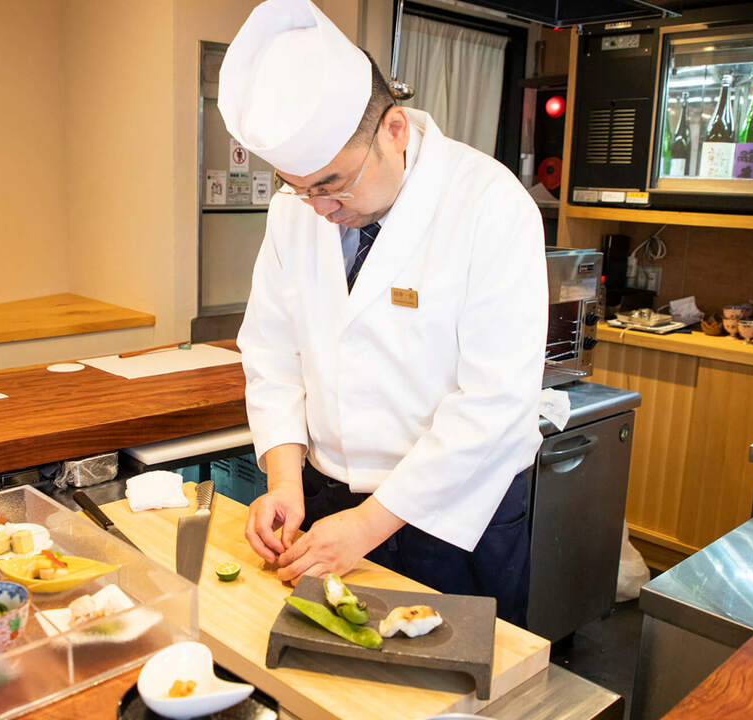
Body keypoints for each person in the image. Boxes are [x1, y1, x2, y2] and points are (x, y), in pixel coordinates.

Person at [219, 0, 546, 625]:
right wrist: (283, 481)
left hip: (454, 516)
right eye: (299, 186)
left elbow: (493, 404)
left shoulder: (489, 205)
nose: (318, 206)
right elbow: (272, 355)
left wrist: (370, 523)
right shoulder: (297, 209)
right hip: (325, 498)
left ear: (394, 130)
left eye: (333, 182)